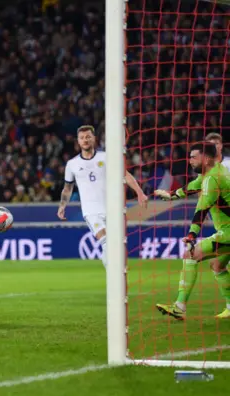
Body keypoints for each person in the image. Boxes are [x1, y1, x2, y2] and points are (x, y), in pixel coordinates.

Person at [156, 142, 230, 320]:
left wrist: (191, 235)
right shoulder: (215, 171)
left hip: (228, 232)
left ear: (205, 158)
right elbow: (192, 186)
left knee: (190, 255)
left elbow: (202, 210)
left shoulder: (213, 179)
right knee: (217, 265)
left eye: (193, 157)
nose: (189, 160)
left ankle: (179, 307)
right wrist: (172, 195)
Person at [57, 125, 148, 268]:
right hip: (91, 212)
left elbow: (125, 174)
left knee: (115, 245)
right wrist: (62, 206)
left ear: (94, 138)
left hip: (112, 209)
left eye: (88, 137)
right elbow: (68, 188)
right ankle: (115, 272)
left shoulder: (105, 157)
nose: (85, 140)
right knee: (105, 242)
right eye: (82, 138)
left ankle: (115, 272)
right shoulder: (72, 164)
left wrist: (139, 192)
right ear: (78, 141)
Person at [154, 133, 230, 201]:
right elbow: (197, 187)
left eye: (216, 143)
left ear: (221, 145)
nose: (214, 147)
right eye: (210, 144)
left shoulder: (228, 163)